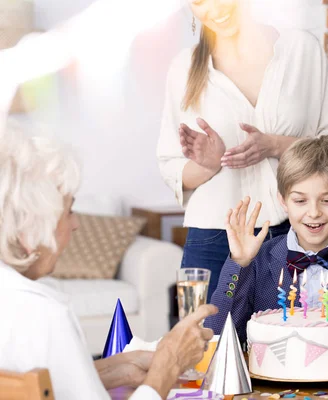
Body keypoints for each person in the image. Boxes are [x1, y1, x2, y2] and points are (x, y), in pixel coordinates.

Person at [0, 126, 217, 400]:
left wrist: (117, 370)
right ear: (29, 231)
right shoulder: (45, 314)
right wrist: (169, 363)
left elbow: (47, 384)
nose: (76, 224)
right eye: (68, 212)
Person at [157, 0, 328, 300]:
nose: (215, 8)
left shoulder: (301, 51)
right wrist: (209, 164)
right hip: (214, 239)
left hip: (297, 232)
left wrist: (274, 145)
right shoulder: (183, 68)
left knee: (298, 341)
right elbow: (171, 167)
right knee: (210, 343)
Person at [205, 136, 328, 347]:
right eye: (300, 200)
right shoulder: (257, 259)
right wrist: (239, 263)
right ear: (282, 200)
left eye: (327, 200)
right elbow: (217, 333)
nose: (314, 212)